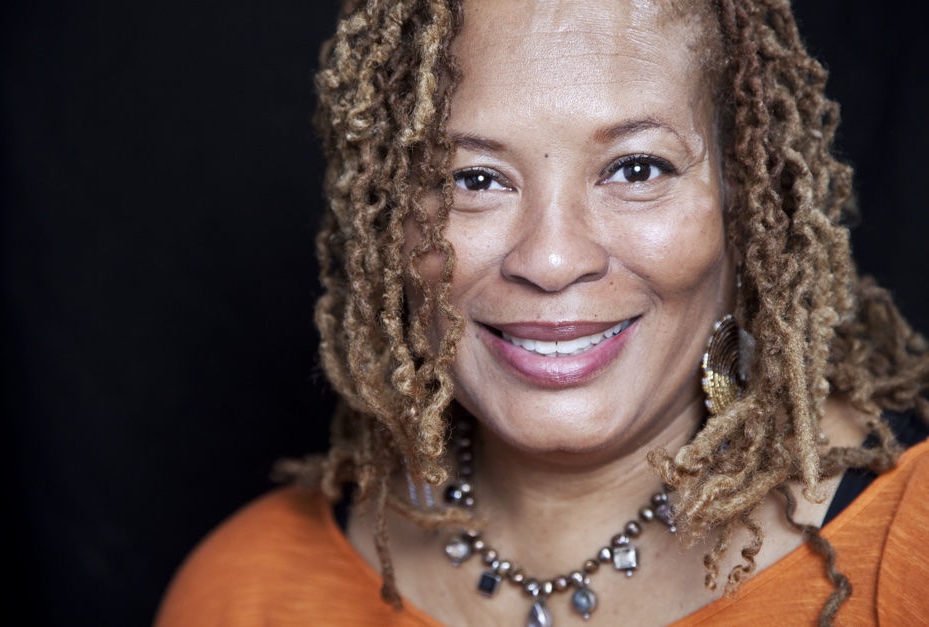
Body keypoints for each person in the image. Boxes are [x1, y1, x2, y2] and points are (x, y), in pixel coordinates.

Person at [154, 0, 929, 625]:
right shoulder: (246, 593)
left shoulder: (911, 545)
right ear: (389, 223)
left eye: (636, 168)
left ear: (748, 201)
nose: (552, 260)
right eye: (474, 179)